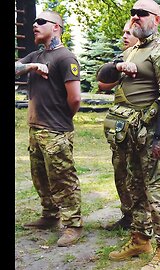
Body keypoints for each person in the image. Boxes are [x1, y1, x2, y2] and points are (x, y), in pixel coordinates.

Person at [96, 0, 160, 269]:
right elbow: (103, 77)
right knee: (135, 190)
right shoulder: (133, 50)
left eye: (142, 13)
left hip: (153, 134)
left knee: (158, 195)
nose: (135, 17)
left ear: (156, 20)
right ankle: (140, 239)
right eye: (133, 13)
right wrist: (118, 64)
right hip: (131, 134)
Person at [15, 10, 84, 247]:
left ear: (56, 27)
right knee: (40, 178)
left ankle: (73, 225)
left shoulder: (65, 58)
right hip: (36, 129)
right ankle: (49, 216)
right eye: (35, 21)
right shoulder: (37, 55)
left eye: (41, 21)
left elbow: (75, 99)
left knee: (63, 179)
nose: (35, 24)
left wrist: (61, 119)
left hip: (56, 131)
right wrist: (31, 66)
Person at [97, 20, 139, 231]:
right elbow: (102, 84)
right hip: (120, 128)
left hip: (140, 128)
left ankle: (144, 221)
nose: (124, 36)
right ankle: (127, 215)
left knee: (139, 176)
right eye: (123, 32)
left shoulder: (152, 56)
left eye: (129, 32)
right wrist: (117, 68)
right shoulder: (122, 58)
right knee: (120, 171)